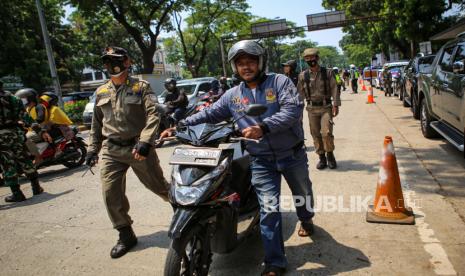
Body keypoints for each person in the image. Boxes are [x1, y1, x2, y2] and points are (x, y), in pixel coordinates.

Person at [161, 40, 315, 276]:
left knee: (302, 193)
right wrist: (179, 125)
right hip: (261, 159)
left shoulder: (279, 82)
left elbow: (291, 111)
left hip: (290, 153)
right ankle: (275, 263)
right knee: (269, 209)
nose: (246, 67)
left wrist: (263, 127)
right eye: (241, 63)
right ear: (235, 67)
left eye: (251, 62)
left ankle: (306, 218)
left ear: (260, 62)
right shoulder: (233, 95)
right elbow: (211, 113)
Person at [86, 46, 170, 259]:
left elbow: (153, 115)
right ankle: (125, 234)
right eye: (107, 61)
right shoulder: (101, 91)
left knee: (159, 186)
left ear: (127, 62)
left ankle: (186, 213)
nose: (111, 65)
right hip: (111, 149)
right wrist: (91, 149)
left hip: (137, 147)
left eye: (116, 60)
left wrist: (145, 142)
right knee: (110, 192)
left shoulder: (141, 86)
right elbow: (96, 125)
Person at [297, 48, 340, 170]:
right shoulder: (302, 75)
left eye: (313, 57)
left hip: (326, 107)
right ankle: (322, 157)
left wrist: (336, 104)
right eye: (307, 58)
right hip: (311, 109)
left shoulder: (328, 73)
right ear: (305, 60)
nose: (311, 60)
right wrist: (297, 111)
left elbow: (335, 88)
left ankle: (330, 155)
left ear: (317, 58)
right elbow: (299, 94)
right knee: (315, 134)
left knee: (326, 133)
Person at [0, 82, 44, 202]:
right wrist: (41, 131)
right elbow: (26, 117)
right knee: (24, 159)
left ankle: (17, 193)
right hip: (16, 134)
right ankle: (36, 187)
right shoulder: (13, 98)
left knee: (7, 164)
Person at [15, 88, 53, 164]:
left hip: (40, 129)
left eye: (23, 99)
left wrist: (25, 123)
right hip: (32, 129)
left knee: (25, 138)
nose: (21, 101)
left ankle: (37, 157)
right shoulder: (28, 108)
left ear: (30, 99)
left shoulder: (39, 106)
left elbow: (40, 118)